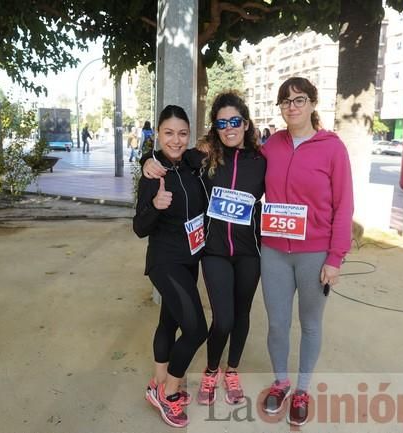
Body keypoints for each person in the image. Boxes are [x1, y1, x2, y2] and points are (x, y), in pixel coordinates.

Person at [142, 92, 266, 406]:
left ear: (245, 123)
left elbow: (287, 188)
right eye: (221, 122)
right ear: (215, 127)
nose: (228, 127)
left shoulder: (262, 161)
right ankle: (209, 371)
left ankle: (231, 370)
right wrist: (148, 161)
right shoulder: (204, 158)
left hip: (249, 252)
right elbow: (170, 155)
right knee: (221, 320)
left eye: (234, 121)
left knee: (241, 316)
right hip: (212, 252)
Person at [259, 77, 353, 426]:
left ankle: (302, 388)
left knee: (310, 324)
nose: (291, 106)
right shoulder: (271, 146)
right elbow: (233, 161)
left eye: (299, 99)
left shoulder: (332, 148)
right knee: (277, 324)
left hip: (315, 253)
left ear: (313, 103)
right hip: (273, 251)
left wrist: (335, 257)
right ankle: (281, 382)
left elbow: (344, 206)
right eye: (285, 101)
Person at [133, 105, 208, 428]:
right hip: (165, 261)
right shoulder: (154, 175)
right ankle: (170, 394)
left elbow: (215, 150)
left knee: (169, 322)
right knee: (196, 329)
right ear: (158, 135)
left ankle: (157, 382)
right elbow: (139, 227)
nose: (175, 140)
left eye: (181, 133)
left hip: (190, 258)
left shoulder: (193, 162)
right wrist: (154, 205)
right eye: (168, 133)